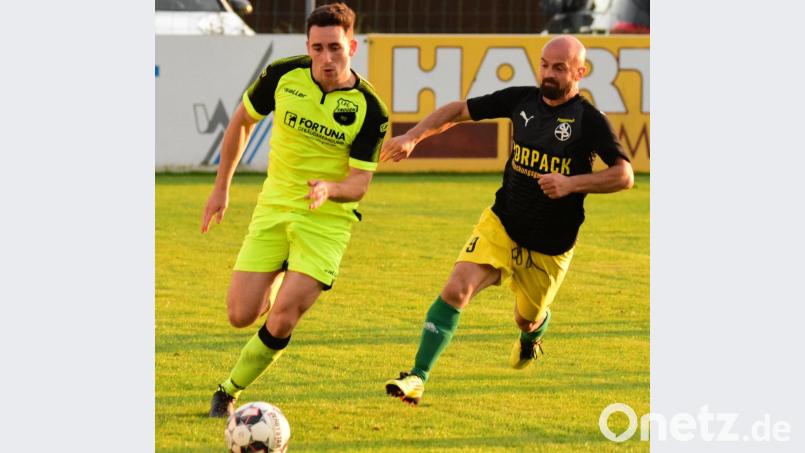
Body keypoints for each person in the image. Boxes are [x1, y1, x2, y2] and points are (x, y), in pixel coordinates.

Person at [381, 35, 634, 405]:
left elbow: (624, 175)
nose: (548, 73)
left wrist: (571, 184)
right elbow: (458, 110)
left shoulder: (589, 120)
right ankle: (417, 376)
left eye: (559, 67)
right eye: (544, 65)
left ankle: (532, 335)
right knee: (456, 288)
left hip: (550, 246)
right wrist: (413, 136)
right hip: (503, 224)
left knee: (525, 319)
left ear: (580, 72)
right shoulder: (522, 100)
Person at [200, 2, 388, 418]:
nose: (326, 58)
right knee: (240, 315)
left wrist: (330, 189)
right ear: (307, 47)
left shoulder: (371, 109)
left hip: (327, 220)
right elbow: (242, 121)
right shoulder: (284, 75)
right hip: (274, 206)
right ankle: (286, 267)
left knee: (283, 317)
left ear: (352, 46)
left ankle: (228, 390)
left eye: (335, 47)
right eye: (318, 48)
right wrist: (220, 189)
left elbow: (359, 183)